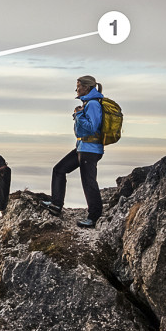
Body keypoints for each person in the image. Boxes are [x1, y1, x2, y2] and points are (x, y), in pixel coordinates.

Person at [42, 75, 105, 228]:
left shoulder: (93, 104)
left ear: (86, 87)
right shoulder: (87, 103)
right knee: (59, 169)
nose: (76, 89)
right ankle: (56, 204)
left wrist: (79, 114)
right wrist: (79, 114)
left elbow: (92, 127)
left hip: (90, 149)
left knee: (88, 182)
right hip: (82, 147)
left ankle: (94, 217)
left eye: (78, 86)